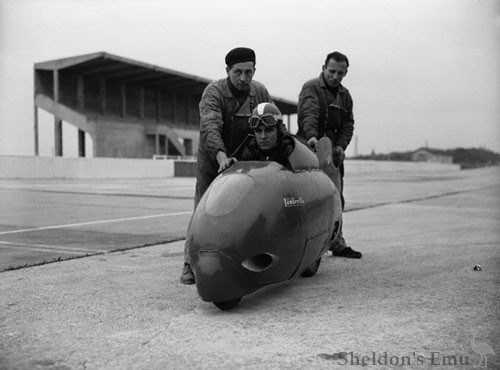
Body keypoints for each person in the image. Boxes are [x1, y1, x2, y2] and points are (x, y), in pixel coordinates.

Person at [180, 47, 273, 284]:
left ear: (254, 71)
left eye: (248, 72)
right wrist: (221, 157)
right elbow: (210, 126)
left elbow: (274, 123)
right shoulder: (213, 92)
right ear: (227, 71)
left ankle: (243, 258)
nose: (243, 78)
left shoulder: (259, 91)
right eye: (237, 72)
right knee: (203, 211)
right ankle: (189, 264)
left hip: (244, 162)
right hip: (213, 160)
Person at [297, 51, 362, 259]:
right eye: (332, 71)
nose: (335, 76)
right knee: (307, 200)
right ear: (324, 68)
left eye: (340, 73)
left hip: (333, 157)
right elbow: (308, 114)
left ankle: (337, 242)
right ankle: (305, 244)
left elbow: (348, 124)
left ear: (346, 73)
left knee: (336, 199)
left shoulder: (345, 96)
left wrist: (342, 146)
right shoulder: (311, 88)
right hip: (309, 150)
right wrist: (312, 137)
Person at [234, 102, 294, 169]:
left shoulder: (291, 152)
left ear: (279, 131)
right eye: (258, 131)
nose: (263, 136)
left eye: (268, 130)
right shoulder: (249, 152)